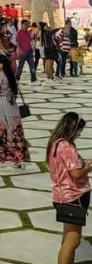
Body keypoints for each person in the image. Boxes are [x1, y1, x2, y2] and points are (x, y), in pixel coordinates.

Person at [48, 113, 92, 264]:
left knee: (67, 239)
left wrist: (82, 163)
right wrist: (88, 168)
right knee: (73, 242)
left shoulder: (55, 143)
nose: (80, 134)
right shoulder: (66, 146)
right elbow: (75, 173)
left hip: (61, 197)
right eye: (79, 130)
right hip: (73, 197)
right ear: (73, 129)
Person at [0, 55, 30, 168]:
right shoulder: (11, 76)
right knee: (14, 134)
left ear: (1, 64)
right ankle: (19, 159)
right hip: (13, 107)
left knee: (0, 134)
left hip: (1, 107)